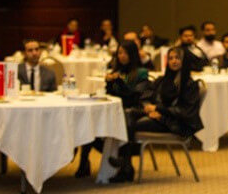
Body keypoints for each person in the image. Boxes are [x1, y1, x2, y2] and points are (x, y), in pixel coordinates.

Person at [109, 47, 203, 182]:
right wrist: (149, 108)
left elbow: (185, 111)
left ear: (184, 61)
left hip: (176, 123)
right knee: (127, 113)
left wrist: (160, 111)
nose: (174, 61)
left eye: (177, 58)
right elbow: (146, 95)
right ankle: (126, 164)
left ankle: (126, 165)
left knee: (133, 124)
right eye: (170, 58)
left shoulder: (189, 84)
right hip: (160, 116)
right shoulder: (163, 79)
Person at [76, 41, 151, 178]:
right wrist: (109, 83)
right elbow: (110, 94)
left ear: (132, 55)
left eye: (126, 53)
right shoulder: (117, 72)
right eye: (120, 53)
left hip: (132, 109)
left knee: (125, 115)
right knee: (89, 118)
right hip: (114, 109)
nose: (122, 56)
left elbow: (134, 96)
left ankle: (126, 164)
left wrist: (118, 81)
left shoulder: (141, 73)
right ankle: (83, 161)